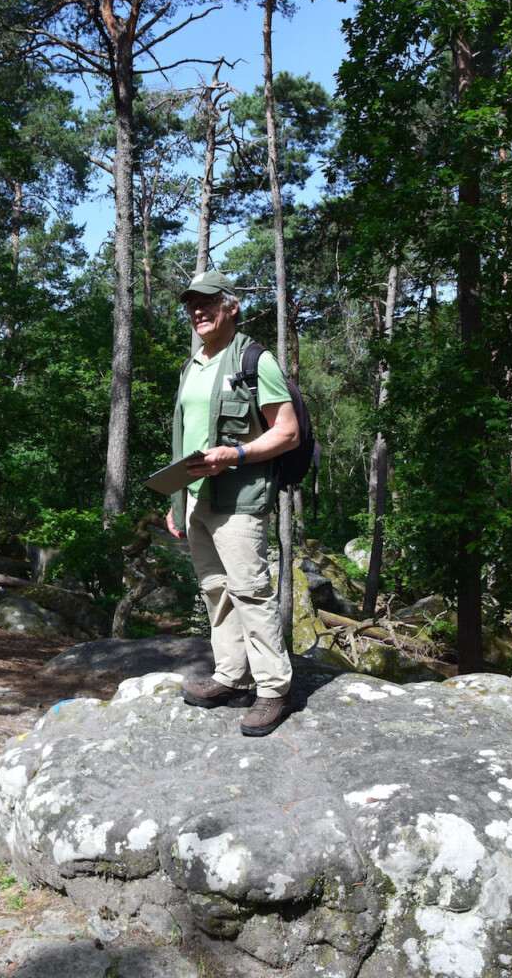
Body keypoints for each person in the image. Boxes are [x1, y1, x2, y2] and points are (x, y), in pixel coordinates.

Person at [166, 270, 299, 737]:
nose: (197, 311)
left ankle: (272, 689)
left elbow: (287, 432)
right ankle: (230, 676)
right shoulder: (192, 365)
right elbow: (188, 436)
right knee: (215, 590)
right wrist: (177, 502)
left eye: (207, 302)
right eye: (191, 305)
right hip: (197, 499)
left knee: (250, 591)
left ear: (231, 305)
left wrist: (236, 454)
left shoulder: (253, 360)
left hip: (241, 497)